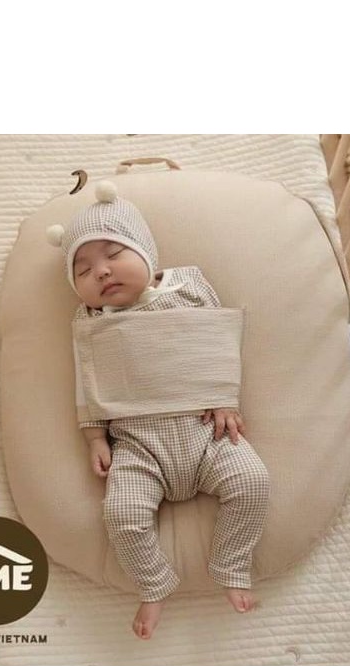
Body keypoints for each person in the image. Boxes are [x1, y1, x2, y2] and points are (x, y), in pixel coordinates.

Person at [47, 180, 271, 641]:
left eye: (114, 253)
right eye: (83, 271)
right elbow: (89, 381)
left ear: (146, 252)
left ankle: (231, 564)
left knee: (252, 482)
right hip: (137, 447)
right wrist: (94, 436)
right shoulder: (91, 323)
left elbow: (215, 342)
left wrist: (224, 397)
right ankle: (153, 583)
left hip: (206, 430)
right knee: (121, 515)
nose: (102, 271)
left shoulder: (188, 288)